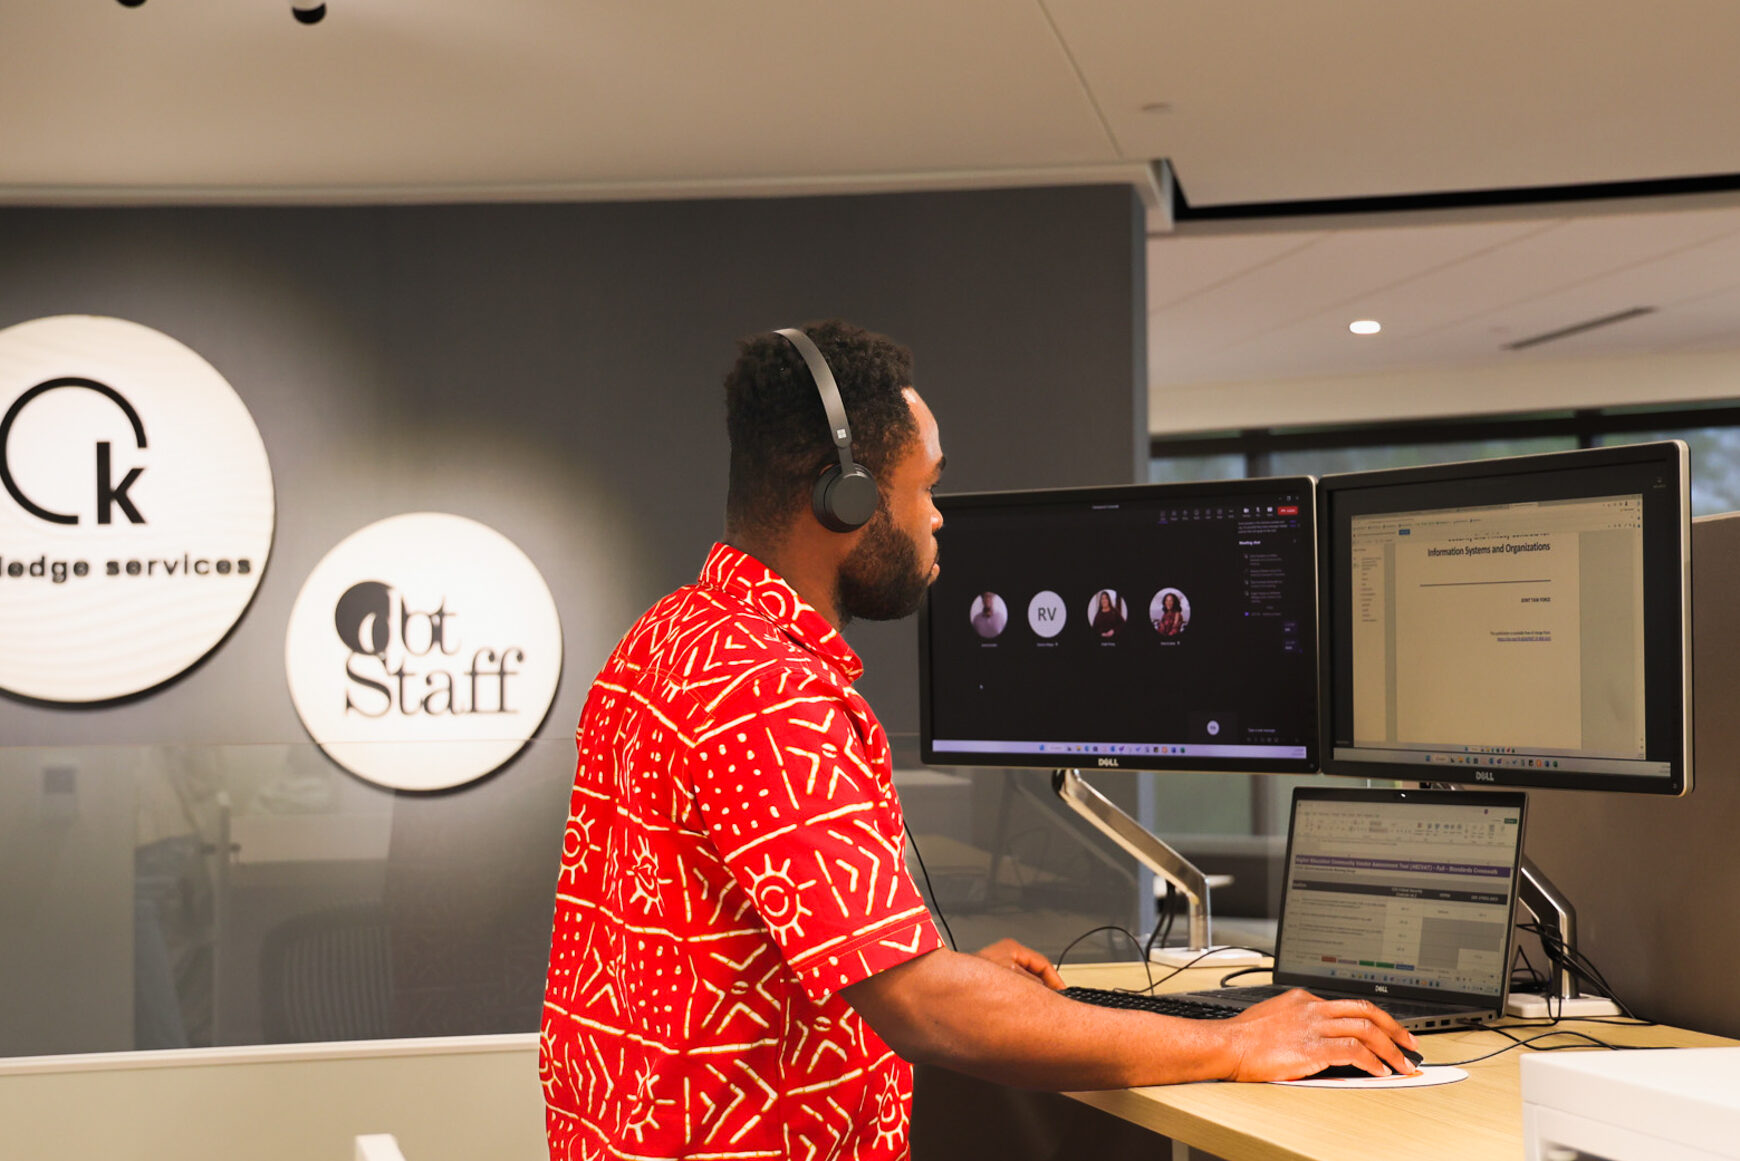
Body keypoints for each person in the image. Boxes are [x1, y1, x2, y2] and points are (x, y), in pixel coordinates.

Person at [539, 320, 1417, 1161]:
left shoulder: (668, 637)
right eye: (924, 487)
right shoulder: (770, 690)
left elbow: (723, 944)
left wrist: (940, 969)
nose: (938, 518)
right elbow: (923, 1010)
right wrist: (1233, 1039)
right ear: (842, 496)